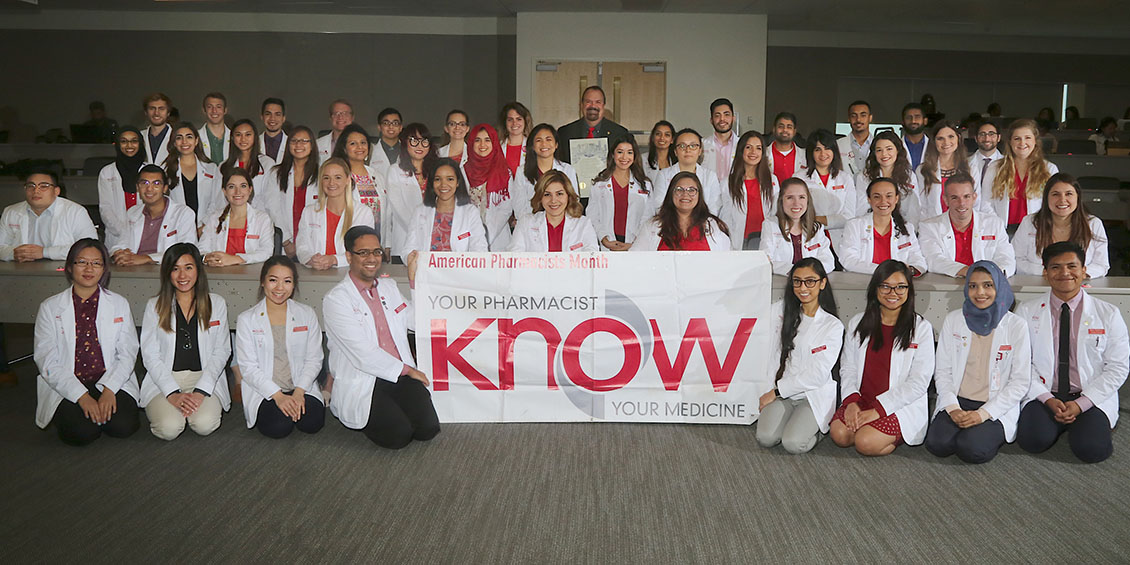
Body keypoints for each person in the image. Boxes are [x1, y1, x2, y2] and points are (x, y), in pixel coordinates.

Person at [322, 225, 440, 449]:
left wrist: (414, 282)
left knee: (428, 429)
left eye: (376, 252)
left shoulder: (389, 286)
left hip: (398, 374)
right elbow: (364, 355)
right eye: (363, 252)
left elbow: (415, 322)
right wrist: (410, 371)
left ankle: (392, 408)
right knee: (398, 437)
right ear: (349, 256)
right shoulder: (336, 300)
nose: (372, 258)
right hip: (366, 378)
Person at [1016, 242, 1129, 463]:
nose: (1065, 273)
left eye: (1072, 266)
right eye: (1056, 267)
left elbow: (1118, 367)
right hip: (1046, 392)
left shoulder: (1108, 313)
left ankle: (1075, 422)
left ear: (1084, 270)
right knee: (1032, 441)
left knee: (1092, 451)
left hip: (1089, 395)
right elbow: (1020, 364)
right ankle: (1058, 420)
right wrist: (1047, 399)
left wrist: (1081, 404)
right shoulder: (1027, 311)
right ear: (1046, 272)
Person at [33, 239, 140, 445]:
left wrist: (109, 391)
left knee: (123, 426)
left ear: (104, 269)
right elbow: (46, 360)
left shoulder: (118, 303)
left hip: (108, 378)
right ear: (70, 267)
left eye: (96, 263)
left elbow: (128, 352)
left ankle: (101, 405)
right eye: (82, 262)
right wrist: (82, 396)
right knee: (82, 433)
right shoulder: (50, 307)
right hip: (69, 381)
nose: (89, 268)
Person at [926, 261, 1030, 464]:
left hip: (994, 403)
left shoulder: (1016, 326)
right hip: (958, 399)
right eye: (973, 286)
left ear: (999, 287)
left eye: (988, 285)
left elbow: (1020, 382)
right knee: (938, 445)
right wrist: (952, 407)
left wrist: (983, 414)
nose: (980, 292)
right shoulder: (954, 320)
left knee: (971, 449)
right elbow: (943, 372)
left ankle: (982, 430)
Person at [831, 260, 935, 456]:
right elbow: (848, 368)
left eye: (900, 287)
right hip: (862, 400)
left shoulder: (920, 328)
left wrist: (879, 410)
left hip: (897, 405)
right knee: (840, 435)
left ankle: (886, 436)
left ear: (909, 290)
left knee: (864, 442)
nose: (892, 293)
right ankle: (868, 427)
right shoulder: (857, 323)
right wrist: (851, 402)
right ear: (875, 288)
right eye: (885, 286)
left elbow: (919, 382)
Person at [138, 243, 231, 440]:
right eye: (175, 269)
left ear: (198, 269)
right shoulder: (154, 306)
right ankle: (176, 411)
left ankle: (191, 409)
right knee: (169, 429)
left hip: (203, 376)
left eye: (188, 267)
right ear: (167, 273)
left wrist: (201, 391)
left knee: (205, 424)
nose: (182, 276)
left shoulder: (216, 303)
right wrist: (172, 393)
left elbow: (221, 352)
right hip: (167, 377)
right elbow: (150, 356)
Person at [757, 257, 843, 454]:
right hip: (784, 392)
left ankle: (820, 430)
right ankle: (792, 421)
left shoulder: (832, 326)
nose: (803, 287)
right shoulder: (781, 311)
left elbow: (818, 375)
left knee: (794, 444)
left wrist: (776, 392)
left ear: (822, 283)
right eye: (797, 281)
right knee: (766, 438)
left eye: (810, 281)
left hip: (811, 394)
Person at [235, 256, 325, 438]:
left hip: (300, 386)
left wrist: (299, 392)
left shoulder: (306, 314)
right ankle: (283, 409)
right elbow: (248, 368)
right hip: (266, 390)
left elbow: (314, 359)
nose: (279, 288)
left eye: (287, 281)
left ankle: (295, 405)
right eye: (273, 280)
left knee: (312, 423)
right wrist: (278, 396)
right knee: (278, 428)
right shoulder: (247, 319)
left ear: (294, 285)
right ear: (263, 282)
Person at [919, 172, 1015, 277]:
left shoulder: (994, 224)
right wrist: (971, 272)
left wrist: (990, 274)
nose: (962, 203)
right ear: (945, 200)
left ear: (974, 198)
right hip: (946, 286)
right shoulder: (929, 227)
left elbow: (1006, 258)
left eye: (966, 197)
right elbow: (934, 259)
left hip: (989, 284)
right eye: (954, 198)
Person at [1012, 173, 1109, 278]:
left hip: (1079, 285)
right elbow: (1016, 259)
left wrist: (1075, 274)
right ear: (1046, 198)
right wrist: (1045, 271)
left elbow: (1101, 265)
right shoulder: (1029, 222)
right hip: (1038, 284)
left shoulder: (1093, 224)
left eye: (1069, 194)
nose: (1062, 200)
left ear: (1078, 197)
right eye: (1055, 194)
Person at [108, 164, 198, 266]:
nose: (149, 189)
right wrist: (119, 253)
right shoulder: (133, 213)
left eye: (156, 183)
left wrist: (147, 258)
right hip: (133, 269)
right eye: (144, 183)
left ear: (165, 188)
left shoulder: (183, 213)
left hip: (167, 270)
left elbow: (187, 251)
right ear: (137, 187)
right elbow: (120, 243)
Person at [0, 169, 97, 261]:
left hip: (63, 270)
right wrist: (13, 253)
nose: (36, 191)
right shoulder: (11, 212)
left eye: (44, 186)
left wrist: (44, 252)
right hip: (19, 270)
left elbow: (89, 248)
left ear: (56, 191)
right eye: (31, 186)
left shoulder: (75, 212)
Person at [296, 158, 375, 269]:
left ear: (348, 180)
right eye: (326, 178)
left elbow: (364, 251)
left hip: (349, 274)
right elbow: (301, 247)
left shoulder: (363, 213)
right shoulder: (309, 212)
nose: (331, 183)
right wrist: (311, 260)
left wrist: (334, 260)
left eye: (338, 177)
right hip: (315, 275)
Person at [840, 178, 926, 275]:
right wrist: (888, 271)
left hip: (897, 285)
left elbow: (918, 259)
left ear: (896, 199)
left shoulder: (907, 228)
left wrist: (911, 270)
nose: (883, 201)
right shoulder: (854, 226)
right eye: (877, 197)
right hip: (862, 284)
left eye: (889, 196)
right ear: (869, 199)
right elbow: (848, 260)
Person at [984, 119, 1059, 229]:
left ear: (1035, 141)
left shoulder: (1049, 169)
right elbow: (986, 203)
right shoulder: (995, 168)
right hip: (1003, 231)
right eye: (1017, 139)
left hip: (1036, 230)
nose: (1022, 143)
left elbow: (1053, 204)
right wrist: (998, 228)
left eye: (1027, 138)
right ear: (1010, 142)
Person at [403, 158, 488, 255]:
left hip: (459, 269)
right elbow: (408, 249)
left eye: (450, 179)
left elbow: (480, 250)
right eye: (438, 179)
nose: (443, 184)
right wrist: (410, 259)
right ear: (432, 183)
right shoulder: (420, 211)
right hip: (426, 269)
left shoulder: (470, 212)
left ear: (458, 182)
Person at [631, 172, 729, 251]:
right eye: (679, 190)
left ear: (699, 195)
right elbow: (636, 260)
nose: (685, 194)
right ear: (671, 194)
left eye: (691, 190)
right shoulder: (651, 227)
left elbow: (726, 264)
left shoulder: (714, 227)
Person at [198, 168, 275, 266]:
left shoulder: (263, 219)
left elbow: (266, 252)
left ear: (250, 190)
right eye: (231, 187)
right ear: (224, 191)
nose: (237, 192)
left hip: (252, 276)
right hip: (219, 276)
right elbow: (202, 250)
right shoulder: (214, 218)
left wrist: (235, 259)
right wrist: (207, 258)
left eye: (243, 186)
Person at [589, 134, 653, 251]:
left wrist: (634, 243)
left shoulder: (645, 185)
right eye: (620, 152)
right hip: (607, 243)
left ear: (634, 156)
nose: (624, 157)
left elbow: (648, 217)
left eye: (629, 152)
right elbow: (592, 216)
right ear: (613, 155)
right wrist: (604, 239)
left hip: (636, 244)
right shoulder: (599, 183)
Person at [759, 178, 834, 275]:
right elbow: (766, 260)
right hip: (780, 283)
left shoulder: (816, 228)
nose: (796, 203)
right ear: (781, 200)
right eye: (790, 197)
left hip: (811, 284)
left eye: (801, 197)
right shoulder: (770, 225)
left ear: (808, 200)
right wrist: (797, 271)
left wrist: (810, 272)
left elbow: (828, 260)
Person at [509, 170, 598, 252]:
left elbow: (592, 261)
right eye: (547, 194)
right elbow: (514, 258)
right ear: (540, 198)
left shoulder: (584, 224)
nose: (553, 200)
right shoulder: (525, 223)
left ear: (568, 195)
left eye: (559, 194)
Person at [385, 123, 438, 258]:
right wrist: (423, 232)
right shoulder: (395, 171)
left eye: (424, 141)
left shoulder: (437, 171)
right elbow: (399, 209)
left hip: (436, 242)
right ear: (404, 143)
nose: (419, 146)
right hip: (405, 240)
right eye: (414, 141)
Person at [720, 130, 778, 250]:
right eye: (748, 147)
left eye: (758, 148)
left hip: (766, 239)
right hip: (740, 240)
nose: (753, 152)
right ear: (741, 151)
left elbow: (775, 212)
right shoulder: (728, 182)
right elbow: (725, 216)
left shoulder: (772, 180)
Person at [909, 120, 975, 225]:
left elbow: (977, 201)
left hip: (964, 225)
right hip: (933, 227)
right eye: (940, 138)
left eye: (951, 137)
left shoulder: (970, 168)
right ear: (933, 142)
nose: (946, 142)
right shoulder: (923, 170)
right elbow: (920, 205)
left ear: (958, 138)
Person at [267, 126, 319, 258]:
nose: (298, 145)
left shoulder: (322, 173)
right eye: (294, 141)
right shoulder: (276, 173)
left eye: (304, 141)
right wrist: (286, 241)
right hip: (286, 244)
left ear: (312, 145)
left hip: (314, 242)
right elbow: (272, 208)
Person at [801, 129, 861, 244]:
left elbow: (849, 216)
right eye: (817, 149)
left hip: (840, 239)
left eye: (827, 148)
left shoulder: (845, 178)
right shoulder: (799, 178)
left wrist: (815, 219)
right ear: (811, 153)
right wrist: (832, 219)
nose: (823, 154)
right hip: (809, 238)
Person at [462, 124, 516, 251]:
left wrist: (486, 236)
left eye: (487, 140)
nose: (482, 145)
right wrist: (476, 236)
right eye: (477, 140)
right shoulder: (462, 172)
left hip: (498, 239)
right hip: (469, 239)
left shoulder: (505, 173)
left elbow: (506, 209)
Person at [511, 123, 579, 221]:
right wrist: (532, 225)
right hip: (531, 226)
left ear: (556, 145)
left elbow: (573, 202)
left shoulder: (568, 170)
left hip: (562, 225)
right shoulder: (522, 172)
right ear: (532, 146)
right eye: (539, 140)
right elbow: (518, 206)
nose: (544, 144)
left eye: (548, 139)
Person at [163, 122, 222, 227]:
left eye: (189, 137)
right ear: (174, 143)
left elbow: (216, 201)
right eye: (179, 138)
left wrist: (203, 226)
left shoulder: (211, 168)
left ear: (196, 141)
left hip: (205, 228)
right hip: (176, 228)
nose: (184, 142)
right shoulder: (165, 170)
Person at [651, 129, 723, 214]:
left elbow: (714, 208)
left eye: (693, 146)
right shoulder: (663, 175)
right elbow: (659, 206)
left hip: (703, 224)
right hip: (671, 224)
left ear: (700, 151)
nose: (688, 150)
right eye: (682, 146)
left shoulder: (710, 176)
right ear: (675, 151)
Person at [332, 123, 386, 238]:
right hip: (348, 238)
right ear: (344, 149)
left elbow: (386, 212)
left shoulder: (377, 176)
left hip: (376, 240)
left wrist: (386, 245)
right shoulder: (338, 176)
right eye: (353, 143)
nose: (359, 147)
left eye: (363, 142)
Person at [555, 86, 630, 163]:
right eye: (588, 102)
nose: (593, 106)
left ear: (603, 105)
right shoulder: (564, 133)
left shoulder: (620, 133)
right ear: (581, 105)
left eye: (598, 102)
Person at [98, 126, 146, 243]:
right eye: (124, 141)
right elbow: (105, 208)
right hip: (116, 237)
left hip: (145, 235)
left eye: (134, 141)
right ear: (117, 145)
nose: (129, 145)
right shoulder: (107, 172)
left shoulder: (149, 171)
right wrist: (123, 232)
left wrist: (139, 231)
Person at [855, 130, 917, 209]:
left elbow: (914, 209)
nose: (884, 154)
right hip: (872, 219)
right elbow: (861, 208)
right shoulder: (864, 177)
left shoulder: (909, 176)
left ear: (897, 150)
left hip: (903, 220)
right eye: (879, 150)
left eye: (889, 149)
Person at [701, 98, 738, 185]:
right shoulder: (702, 145)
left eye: (726, 114)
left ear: (733, 118)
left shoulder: (743, 145)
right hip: (708, 195)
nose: (722, 119)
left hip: (734, 194)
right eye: (717, 115)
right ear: (711, 120)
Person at [766, 112, 807, 185]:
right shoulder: (763, 154)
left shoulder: (805, 155)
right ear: (774, 129)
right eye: (781, 126)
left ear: (794, 131)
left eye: (789, 127)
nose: (785, 130)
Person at [837, 100, 873, 176]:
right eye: (853, 116)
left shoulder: (878, 144)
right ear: (848, 119)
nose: (858, 119)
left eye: (863, 115)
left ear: (870, 118)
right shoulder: (838, 145)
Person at [499, 102, 532, 179]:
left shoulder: (532, 146)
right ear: (505, 122)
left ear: (525, 121)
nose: (514, 123)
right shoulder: (498, 147)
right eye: (510, 119)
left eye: (519, 119)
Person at [197, 92, 230, 164]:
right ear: (204, 110)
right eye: (209, 107)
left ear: (225, 110)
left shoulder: (235, 137)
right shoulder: (195, 138)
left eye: (218, 107)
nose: (214, 111)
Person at [140, 93, 173, 164]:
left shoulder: (176, 136)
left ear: (168, 113)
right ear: (146, 112)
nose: (156, 113)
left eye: (161, 109)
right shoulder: (139, 136)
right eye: (152, 108)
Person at [370, 108, 403, 179]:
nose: (391, 127)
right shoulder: (369, 151)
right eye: (386, 123)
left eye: (395, 123)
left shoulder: (408, 151)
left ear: (400, 128)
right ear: (379, 127)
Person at [968, 121, 1003, 186]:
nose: (987, 139)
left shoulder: (1007, 164)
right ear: (976, 138)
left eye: (991, 134)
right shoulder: (966, 163)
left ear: (999, 137)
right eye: (982, 134)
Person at [643, 120, 676, 186]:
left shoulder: (677, 161)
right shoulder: (642, 160)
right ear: (652, 137)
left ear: (672, 140)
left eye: (667, 135)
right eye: (658, 134)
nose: (662, 138)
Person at [900, 103, 929, 170]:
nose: (913, 121)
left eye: (917, 117)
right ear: (902, 122)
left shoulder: (934, 145)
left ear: (925, 121)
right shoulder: (897, 147)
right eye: (908, 117)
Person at [258, 98, 288, 162]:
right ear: (262, 117)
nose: (272, 118)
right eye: (268, 114)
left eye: (277, 114)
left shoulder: (292, 144)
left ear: (283, 118)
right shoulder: (254, 143)